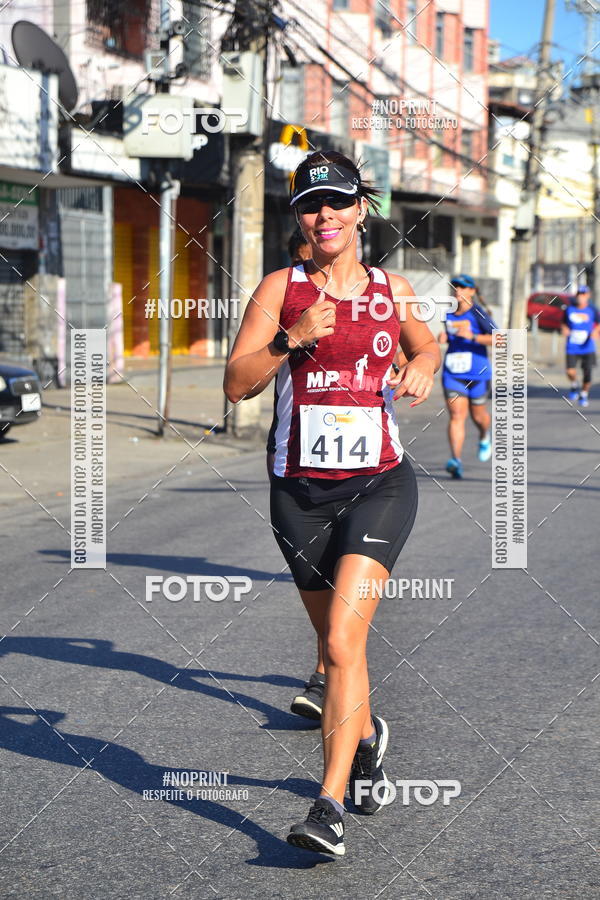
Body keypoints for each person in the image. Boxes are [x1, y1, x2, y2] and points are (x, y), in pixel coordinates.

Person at [224, 149, 440, 856]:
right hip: (299, 495)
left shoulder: (391, 288)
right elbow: (235, 385)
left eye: (338, 202)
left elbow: (427, 345)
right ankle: (370, 736)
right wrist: (292, 340)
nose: (325, 216)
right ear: (300, 216)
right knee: (336, 647)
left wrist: (421, 367)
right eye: (312, 205)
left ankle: (327, 806)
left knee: (344, 643)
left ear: (360, 210)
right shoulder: (278, 289)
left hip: (380, 483)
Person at [439, 274, 497, 479]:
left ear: (472, 291)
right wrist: (444, 336)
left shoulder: (479, 314)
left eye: (463, 287)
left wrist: (473, 337)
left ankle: (484, 435)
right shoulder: (447, 314)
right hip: (453, 373)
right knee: (457, 416)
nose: (459, 291)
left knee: (478, 415)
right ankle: (456, 460)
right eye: (456, 287)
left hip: (478, 374)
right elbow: (449, 335)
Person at [562, 285, 600, 408]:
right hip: (572, 345)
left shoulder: (592, 310)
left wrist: (595, 331)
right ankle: (574, 384)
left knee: (587, 373)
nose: (580, 297)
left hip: (588, 346)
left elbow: (598, 323)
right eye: (579, 294)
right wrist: (565, 329)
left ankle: (584, 394)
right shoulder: (569, 309)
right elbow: (564, 323)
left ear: (587, 296)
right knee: (570, 371)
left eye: (583, 294)